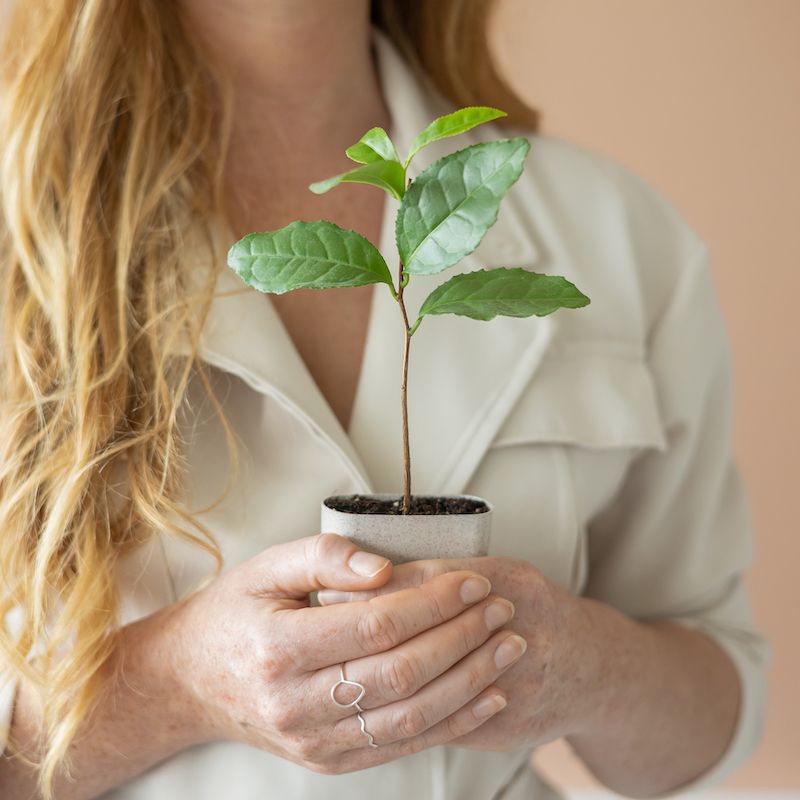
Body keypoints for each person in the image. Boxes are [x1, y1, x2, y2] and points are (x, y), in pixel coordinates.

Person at [0, 1, 768, 799]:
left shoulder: (614, 233)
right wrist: (178, 685)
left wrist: (583, 666)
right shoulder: (19, 224)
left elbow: (712, 705)